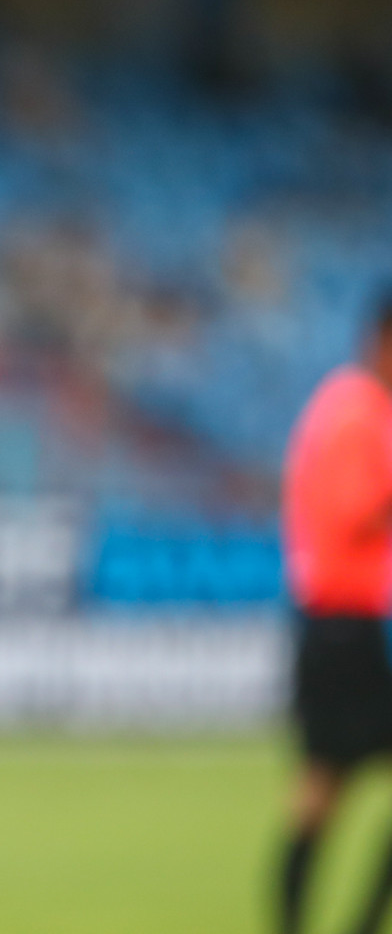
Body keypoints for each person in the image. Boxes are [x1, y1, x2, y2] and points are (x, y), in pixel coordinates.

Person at [279, 293, 392, 934]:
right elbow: (355, 513)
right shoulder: (357, 411)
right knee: (318, 793)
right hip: (342, 626)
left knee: (319, 792)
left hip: (339, 625)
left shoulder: (351, 405)